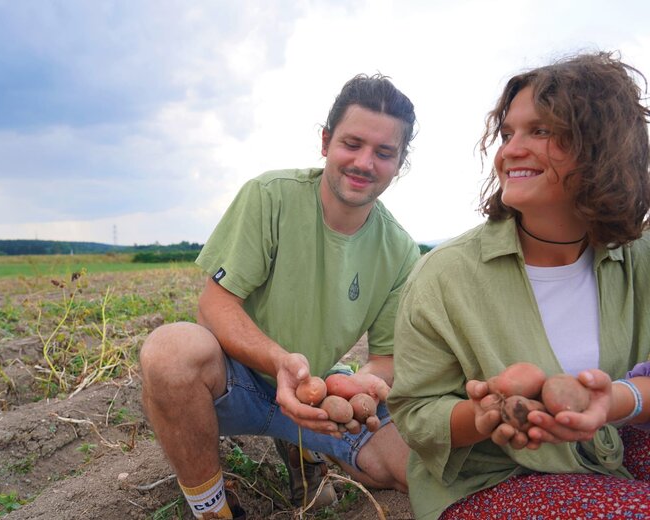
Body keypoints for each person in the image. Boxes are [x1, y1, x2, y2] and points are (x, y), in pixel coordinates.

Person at [140, 73, 421, 519]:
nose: (365, 162)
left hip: (316, 395)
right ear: (326, 141)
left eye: (384, 152)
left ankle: (303, 448)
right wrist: (279, 362)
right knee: (169, 351)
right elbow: (215, 304)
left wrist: (358, 386)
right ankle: (211, 507)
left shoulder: (401, 250)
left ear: (399, 163)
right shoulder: (270, 198)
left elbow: (386, 357)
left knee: (412, 469)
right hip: (241, 382)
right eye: (353, 143)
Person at [387, 51, 650, 520]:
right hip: (496, 479)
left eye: (541, 130)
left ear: (603, 146)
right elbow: (415, 414)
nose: (510, 149)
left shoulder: (639, 256)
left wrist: (614, 401)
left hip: (614, 446)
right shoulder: (445, 275)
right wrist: (485, 417)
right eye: (508, 133)